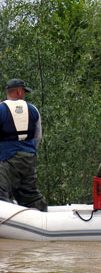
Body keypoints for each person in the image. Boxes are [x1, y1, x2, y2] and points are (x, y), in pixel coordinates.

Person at [0, 79, 47, 212]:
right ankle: (43, 220)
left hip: (6, 159)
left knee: (2, 195)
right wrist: (30, 151)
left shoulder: (1, 109)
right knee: (30, 195)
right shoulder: (33, 109)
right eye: (24, 92)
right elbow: (38, 136)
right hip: (29, 158)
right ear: (20, 91)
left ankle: (7, 226)